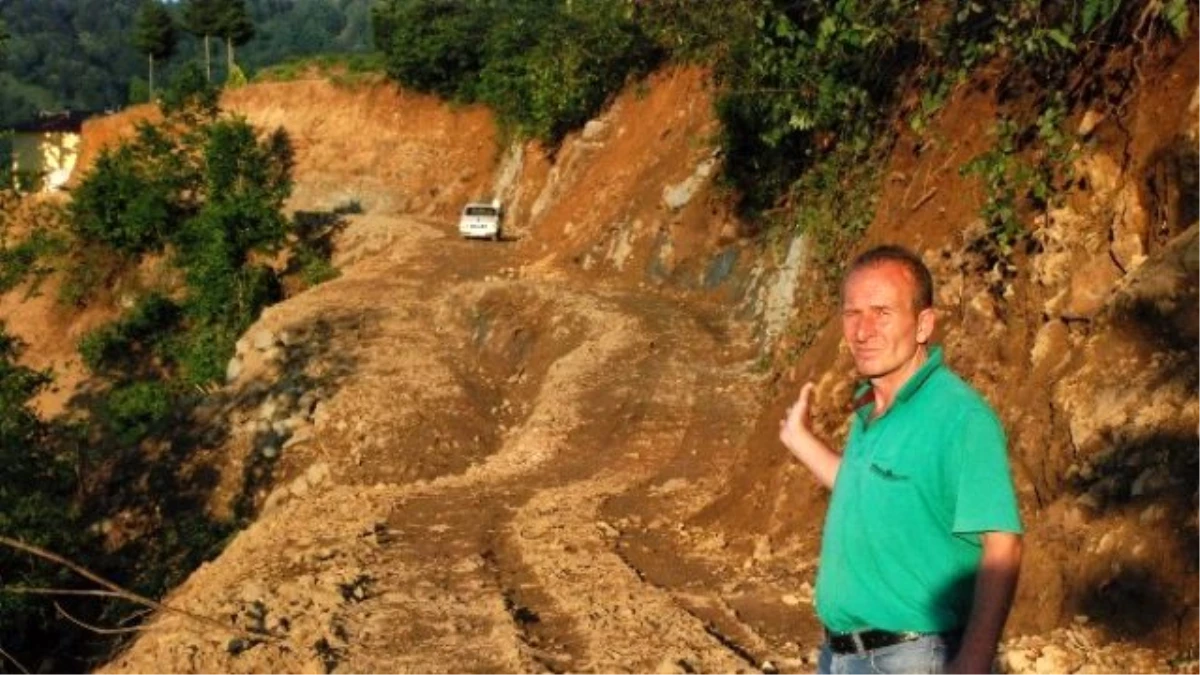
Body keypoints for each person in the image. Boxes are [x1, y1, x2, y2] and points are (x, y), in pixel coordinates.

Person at [779, 245, 1023, 675]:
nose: (863, 330)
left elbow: (1002, 544)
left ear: (924, 324)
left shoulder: (961, 418)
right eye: (853, 313)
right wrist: (801, 441)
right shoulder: (871, 411)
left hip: (912, 659)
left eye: (882, 312)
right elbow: (865, 489)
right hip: (839, 657)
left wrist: (974, 661)